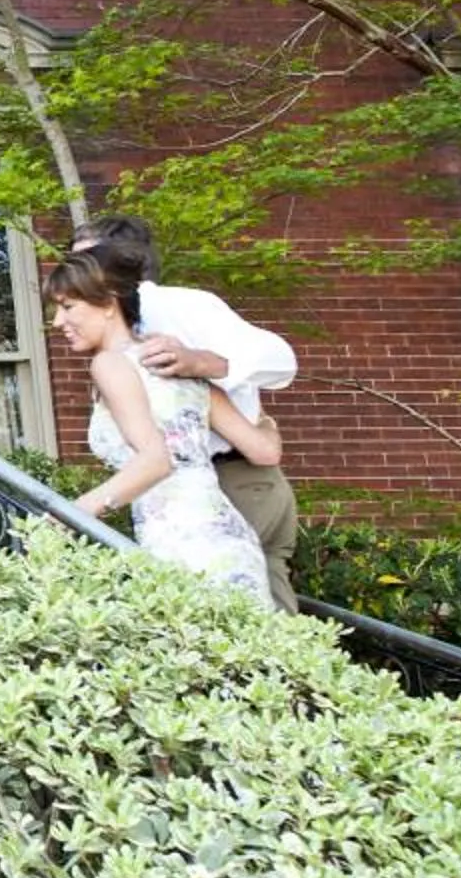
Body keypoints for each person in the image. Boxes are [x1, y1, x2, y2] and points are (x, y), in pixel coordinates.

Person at [69, 214, 303, 609]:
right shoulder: (120, 343)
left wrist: (202, 361)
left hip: (232, 484)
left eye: (86, 260)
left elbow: (281, 360)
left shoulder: (177, 304)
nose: (73, 273)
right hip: (204, 494)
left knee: (254, 626)